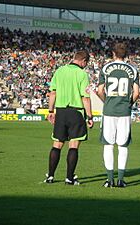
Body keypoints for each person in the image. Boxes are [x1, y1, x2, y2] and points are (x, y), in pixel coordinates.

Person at [44, 50, 94, 185]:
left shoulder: (59, 71)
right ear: (83, 61)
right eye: (86, 63)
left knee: (57, 144)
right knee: (74, 145)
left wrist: (50, 111)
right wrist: (90, 116)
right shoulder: (82, 74)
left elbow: (53, 93)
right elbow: (86, 98)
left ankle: (50, 176)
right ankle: (69, 178)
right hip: (76, 112)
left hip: (61, 111)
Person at [97, 43, 140, 188]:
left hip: (109, 111)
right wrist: (129, 104)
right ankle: (121, 180)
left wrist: (106, 102)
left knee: (108, 145)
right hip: (124, 112)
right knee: (123, 145)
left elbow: (100, 91)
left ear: (113, 53)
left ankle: (109, 180)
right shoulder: (133, 70)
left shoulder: (105, 68)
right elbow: (136, 93)